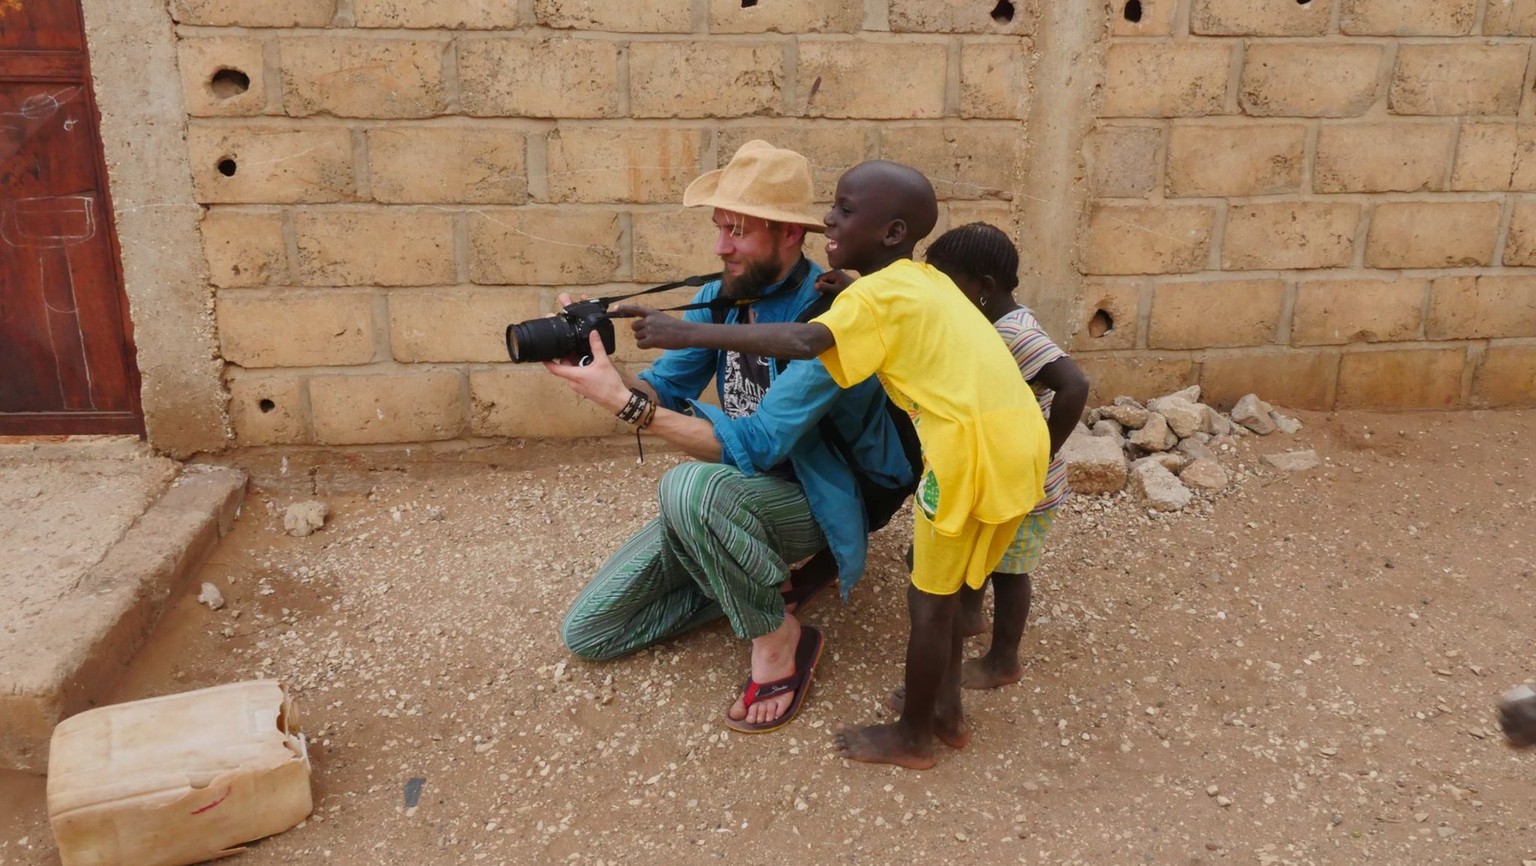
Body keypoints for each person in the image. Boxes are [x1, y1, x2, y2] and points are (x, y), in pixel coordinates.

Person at [624, 160, 1052, 769]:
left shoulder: (875, 295)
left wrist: (686, 334)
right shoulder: (921, 282)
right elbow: (893, 319)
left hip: (965, 460)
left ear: (893, 233)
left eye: (846, 210)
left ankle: (912, 738)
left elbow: (804, 342)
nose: (829, 216)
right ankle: (947, 713)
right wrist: (850, 293)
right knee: (958, 592)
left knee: (928, 604)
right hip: (1019, 444)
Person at [546, 141, 915, 734]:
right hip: (742, 494)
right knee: (590, 632)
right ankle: (757, 578)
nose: (721, 246)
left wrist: (627, 408)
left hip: (820, 493)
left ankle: (779, 636)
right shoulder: (725, 296)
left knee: (688, 490)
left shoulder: (836, 314)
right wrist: (604, 373)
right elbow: (665, 385)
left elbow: (760, 445)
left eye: (737, 230)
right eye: (720, 228)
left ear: (789, 235)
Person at [923, 222, 1090, 688]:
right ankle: (971, 615)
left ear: (984, 288)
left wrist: (1043, 454)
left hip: (1027, 484)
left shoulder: (1015, 331)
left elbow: (1074, 384)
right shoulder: (982, 322)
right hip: (998, 474)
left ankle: (1003, 661)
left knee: (1010, 571)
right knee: (982, 548)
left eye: (947, 285)